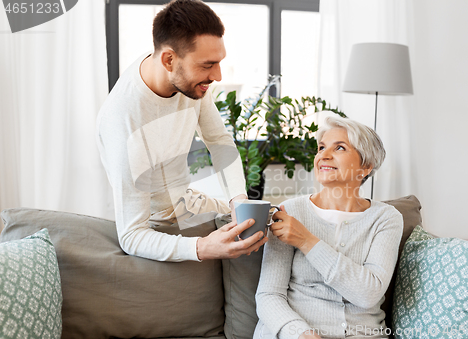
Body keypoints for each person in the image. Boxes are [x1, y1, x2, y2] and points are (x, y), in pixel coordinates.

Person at [96, 0, 266, 262]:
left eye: (219, 62)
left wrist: (238, 200)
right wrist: (202, 248)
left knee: (266, 231)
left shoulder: (188, 78)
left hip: (188, 204)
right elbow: (132, 235)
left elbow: (218, 139)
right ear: (168, 60)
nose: (218, 75)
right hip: (155, 229)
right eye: (208, 65)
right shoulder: (124, 119)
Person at [254, 116, 403, 339]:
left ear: (365, 167)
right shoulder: (290, 212)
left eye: (339, 148)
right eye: (321, 147)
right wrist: (300, 333)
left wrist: (306, 241)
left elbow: (369, 294)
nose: (323, 155)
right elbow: (268, 295)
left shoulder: (385, 218)